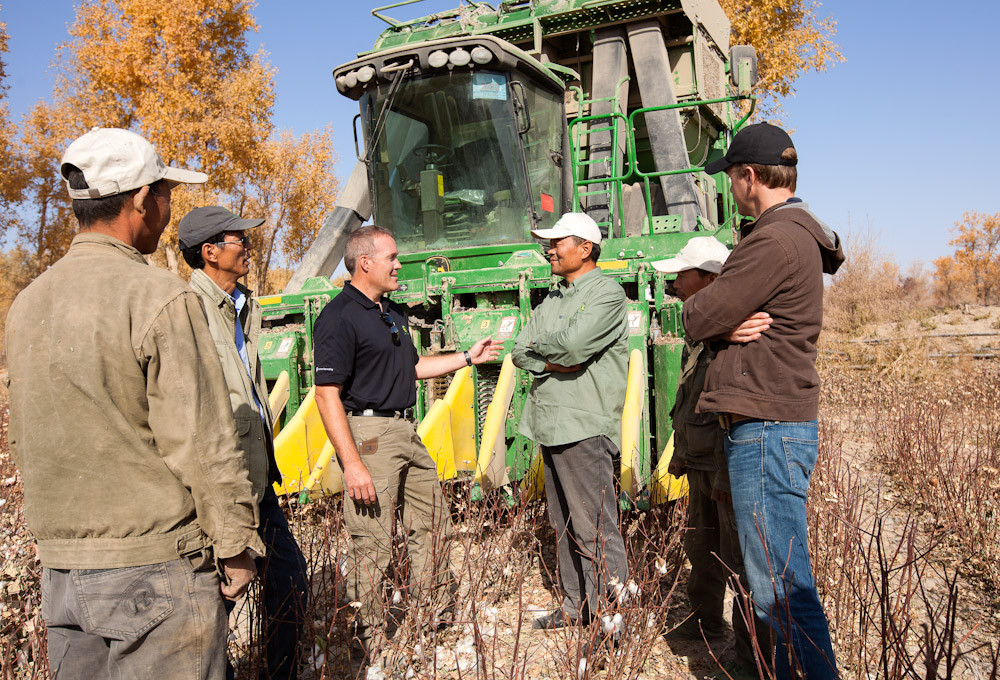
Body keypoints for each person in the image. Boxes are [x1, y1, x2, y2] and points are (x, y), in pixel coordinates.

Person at [5, 128, 262, 679]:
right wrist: (237, 543)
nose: (168, 208)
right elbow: (201, 438)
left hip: (63, 576)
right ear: (143, 200)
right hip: (155, 572)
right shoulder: (159, 295)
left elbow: (26, 435)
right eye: (166, 194)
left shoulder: (27, 305)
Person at [682, 122, 844, 680]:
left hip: (766, 427)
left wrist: (716, 322)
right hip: (773, 423)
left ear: (749, 176)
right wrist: (728, 327)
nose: (729, 187)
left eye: (730, 176)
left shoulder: (772, 239)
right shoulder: (792, 236)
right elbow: (719, 319)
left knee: (780, 586)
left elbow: (697, 314)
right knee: (775, 579)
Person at [311, 225, 499, 653]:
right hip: (370, 437)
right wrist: (352, 463)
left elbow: (411, 369)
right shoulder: (338, 317)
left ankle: (436, 614)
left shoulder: (390, 312)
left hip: (405, 431)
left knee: (432, 523)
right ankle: (370, 637)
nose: (400, 265)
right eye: (392, 257)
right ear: (365, 263)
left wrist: (468, 357)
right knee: (373, 539)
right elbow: (326, 395)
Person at [178, 206, 309, 680]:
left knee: (290, 582)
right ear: (209, 253)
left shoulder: (242, 305)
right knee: (218, 601)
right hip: (221, 481)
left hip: (257, 476)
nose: (248, 249)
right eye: (240, 241)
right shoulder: (189, 309)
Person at [654, 237, 773, 678]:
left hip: (725, 462)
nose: (675, 280)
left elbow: (734, 405)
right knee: (700, 548)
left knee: (737, 558)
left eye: (683, 273)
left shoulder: (741, 330)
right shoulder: (704, 329)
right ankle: (704, 622)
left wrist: (726, 471)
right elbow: (691, 398)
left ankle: (750, 654)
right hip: (700, 461)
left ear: (710, 278)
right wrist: (682, 454)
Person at [511, 212, 629, 631]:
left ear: (585, 248)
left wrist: (552, 352)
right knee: (563, 525)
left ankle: (611, 619)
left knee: (595, 526)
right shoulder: (554, 299)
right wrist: (551, 357)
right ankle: (576, 605)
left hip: (583, 425)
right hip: (549, 423)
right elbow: (518, 348)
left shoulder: (607, 295)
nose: (550, 249)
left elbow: (575, 347)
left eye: (558, 242)